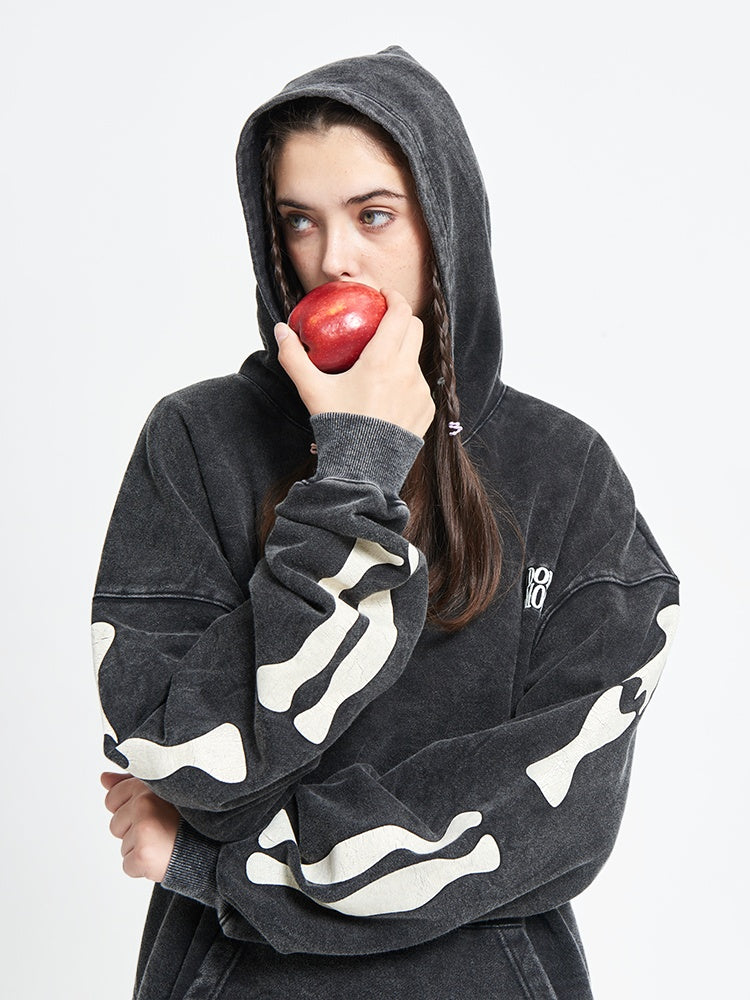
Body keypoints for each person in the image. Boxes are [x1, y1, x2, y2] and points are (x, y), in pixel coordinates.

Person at [93, 45, 680, 1000]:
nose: (334, 258)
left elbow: (551, 820)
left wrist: (220, 867)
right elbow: (185, 759)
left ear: (444, 223)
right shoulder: (197, 441)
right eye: (300, 220)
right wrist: (356, 466)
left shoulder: (566, 472)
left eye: (374, 215)